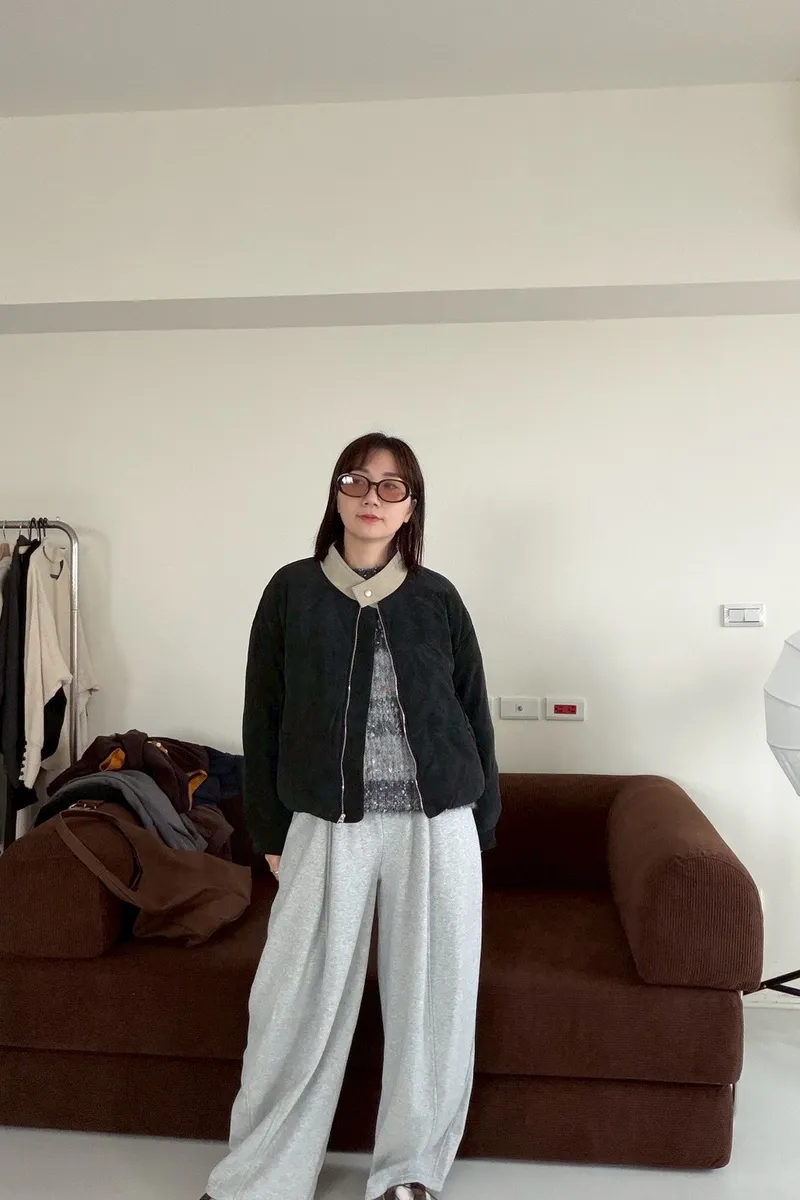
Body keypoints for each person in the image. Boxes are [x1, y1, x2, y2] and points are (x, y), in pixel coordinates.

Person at [202, 432, 501, 1200]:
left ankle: (410, 1174)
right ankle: (260, 1179)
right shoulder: (292, 591)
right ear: (336, 494)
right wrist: (270, 832)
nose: (373, 496)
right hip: (326, 823)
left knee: (433, 1003)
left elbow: (474, 713)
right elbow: (262, 718)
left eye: (392, 486)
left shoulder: (437, 598)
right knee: (294, 1003)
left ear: (411, 508)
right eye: (357, 480)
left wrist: (481, 825)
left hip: (438, 824)